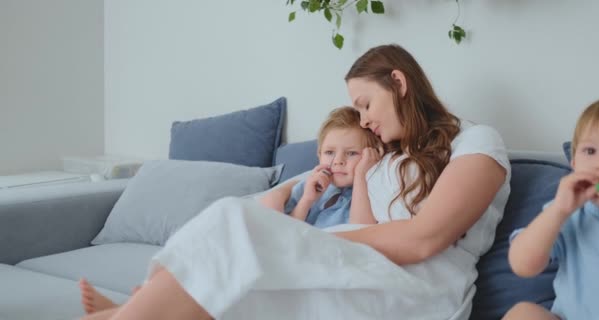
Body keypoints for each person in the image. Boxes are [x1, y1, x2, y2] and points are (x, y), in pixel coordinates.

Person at [82, 43, 510, 320]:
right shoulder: (383, 162)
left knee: (241, 228)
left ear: (398, 83)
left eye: (365, 104)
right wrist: (284, 214)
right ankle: (139, 309)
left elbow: (422, 240)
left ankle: (129, 314)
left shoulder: (477, 141)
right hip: (364, 264)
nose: (364, 121)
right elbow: (317, 190)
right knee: (239, 240)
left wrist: (293, 240)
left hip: (422, 285)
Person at [78, 106, 383, 315]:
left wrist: (361, 177)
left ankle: (130, 310)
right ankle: (135, 306)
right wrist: (305, 202)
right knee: (216, 257)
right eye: (330, 153)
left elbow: (361, 232)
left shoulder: (362, 194)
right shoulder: (312, 186)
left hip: (309, 263)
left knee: (231, 279)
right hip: (284, 250)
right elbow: (285, 227)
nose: (338, 161)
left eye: (351, 154)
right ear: (319, 155)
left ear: (369, 156)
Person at [502, 98, 599, 320]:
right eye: (590, 151)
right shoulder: (568, 214)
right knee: (523, 313)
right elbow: (523, 265)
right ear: (574, 163)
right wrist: (559, 211)